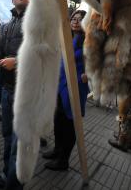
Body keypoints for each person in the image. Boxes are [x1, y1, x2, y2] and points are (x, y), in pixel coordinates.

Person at [0, 0, 32, 190]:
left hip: (27, 93)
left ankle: (14, 185)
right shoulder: (9, 23)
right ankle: (7, 175)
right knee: (7, 136)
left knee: (19, 144)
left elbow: (45, 53)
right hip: (6, 89)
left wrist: (18, 62)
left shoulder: (38, 21)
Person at [43, 10, 89, 171]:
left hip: (75, 87)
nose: (76, 21)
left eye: (80, 19)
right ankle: (57, 150)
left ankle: (64, 160)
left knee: (70, 124)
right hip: (60, 84)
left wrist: (88, 74)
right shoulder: (67, 37)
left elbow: (98, 62)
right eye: (73, 18)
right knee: (58, 120)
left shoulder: (89, 41)